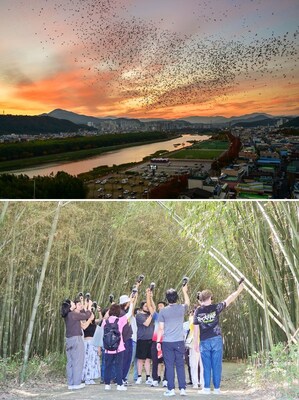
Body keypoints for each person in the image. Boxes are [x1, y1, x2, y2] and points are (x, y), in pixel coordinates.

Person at [193, 283, 244, 395]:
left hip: (204, 341)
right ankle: (217, 389)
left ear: (201, 299)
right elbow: (229, 299)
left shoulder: (198, 311)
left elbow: (196, 329)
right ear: (210, 298)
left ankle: (206, 388)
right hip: (216, 339)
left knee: (206, 365)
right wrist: (239, 290)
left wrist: (195, 343)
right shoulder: (216, 307)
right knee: (216, 364)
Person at [157, 284, 190, 397]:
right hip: (179, 341)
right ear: (177, 297)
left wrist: (158, 342)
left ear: (167, 299)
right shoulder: (181, 308)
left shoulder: (163, 311)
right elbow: (187, 303)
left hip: (167, 342)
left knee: (169, 365)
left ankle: (170, 389)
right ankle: (182, 389)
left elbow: (161, 328)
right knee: (180, 364)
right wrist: (185, 291)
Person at [61, 298, 93, 390]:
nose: (73, 303)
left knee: (70, 362)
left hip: (68, 339)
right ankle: (77, 383)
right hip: (76, 339)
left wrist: (84, 305)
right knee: (78, 361)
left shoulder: (67, 315)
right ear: (70, 306)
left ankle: (71, 383)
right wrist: (89, 306)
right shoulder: (73, 315)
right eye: (72, 302)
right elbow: (87, 315)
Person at [102, 299, 134, 391]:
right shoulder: (120, 320)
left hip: (108, 348)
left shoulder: (105, 322)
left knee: (108, 366)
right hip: (119, 348)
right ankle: (119, 384)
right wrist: (131, 303)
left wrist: (109, 310)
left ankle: (107, 384)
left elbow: (104, 318)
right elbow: (129, 314)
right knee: (119, 366)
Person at [146, 288, 167, 387]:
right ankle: (155, 379)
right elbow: (149, 306)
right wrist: (148, 295)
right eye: (158, 306)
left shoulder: (170, 316)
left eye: (161, 305)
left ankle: (166, 379)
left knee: (167, 361)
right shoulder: (156, 316)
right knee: (154, 361)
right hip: (155, 341)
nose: (159, 307)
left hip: (166, 341)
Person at [81, 302, 101, 385]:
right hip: (87, 343)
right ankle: (86, 378)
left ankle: (91, 377)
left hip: (94, 343)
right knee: (87, 360)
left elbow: (101, 319)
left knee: (93, 360)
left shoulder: (94, 324)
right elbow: (82, 315)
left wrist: (99, 311)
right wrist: (86, 305)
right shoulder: (84, 322)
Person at [135, 300, 155, 385]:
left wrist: (151, 298)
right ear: (142, 307)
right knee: (140, 359)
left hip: (150, 339)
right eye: (146, 306)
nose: (147, 307)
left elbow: (154, 308)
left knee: (148, 359)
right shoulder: (139, 315)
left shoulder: (151, 315)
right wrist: (151, 314)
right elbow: (146, 323)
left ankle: (148, 376)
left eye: (148, 306)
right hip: (142, 339)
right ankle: (139, 377)